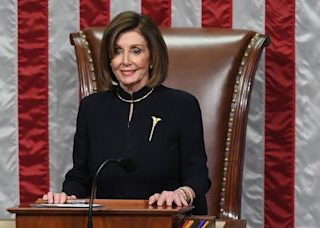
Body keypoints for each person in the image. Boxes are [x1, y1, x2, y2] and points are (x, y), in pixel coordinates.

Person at [43, 11, 211, 214]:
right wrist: (66, 197)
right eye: (117, 51)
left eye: (136, 51)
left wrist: (181, 194)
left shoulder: (183, 105)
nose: (125, 61)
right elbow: (80, 177)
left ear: (152, 57)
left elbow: (198, 176)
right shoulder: (91, 108)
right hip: (108, 222)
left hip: (166, 219)